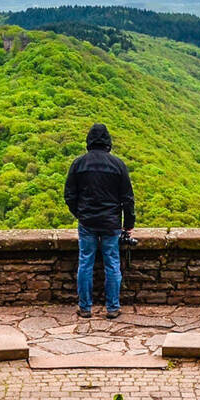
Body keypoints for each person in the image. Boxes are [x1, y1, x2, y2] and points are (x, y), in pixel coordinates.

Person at [63, 123, 135, 319]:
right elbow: (127, 198)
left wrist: (80, 213)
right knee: (112, 263)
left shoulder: (79, 164)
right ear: (108, 142)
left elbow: (69, 195)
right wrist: (128, 223)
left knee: (85, 262)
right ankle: (112, 307)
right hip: (111, 222)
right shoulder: (117, 165)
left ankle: (85, 307)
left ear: (88, 141)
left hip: (87, 223)